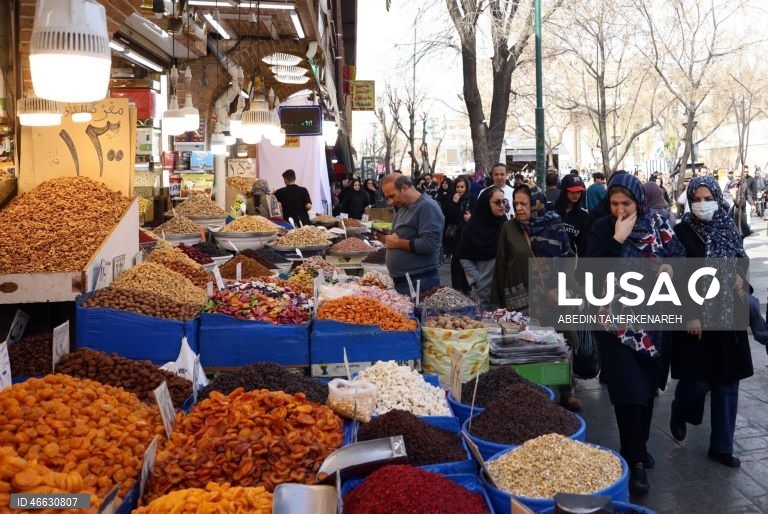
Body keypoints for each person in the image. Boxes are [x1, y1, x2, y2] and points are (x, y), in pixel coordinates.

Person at [586, 173, 686, 496]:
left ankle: (638, 445)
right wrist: (617, 241)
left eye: (626, 204)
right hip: (614, 328)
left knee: (645, 393)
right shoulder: (602, 228)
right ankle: (635, 463)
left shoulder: (658, 225)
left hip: (653, 327)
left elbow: (681, 258)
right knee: (628, 394)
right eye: (614, 204)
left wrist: (672, 269)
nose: (620, 210)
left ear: (638, 202)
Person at [669, 176, 753, 468]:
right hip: (697, 318)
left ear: (717, 197)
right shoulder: (680, 233)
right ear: (689, 201)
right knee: (697, 383)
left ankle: (722, 447)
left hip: (729, 313)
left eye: (708, 198)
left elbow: (741, 262)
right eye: (697, 199)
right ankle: (681, 409)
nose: (703, 204)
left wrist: (741, 283)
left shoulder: (728, 226)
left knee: (727, 384)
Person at [382, 173, 444, 296]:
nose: (390, 201)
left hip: (420, 281)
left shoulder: (427, 207)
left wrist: (398, 243)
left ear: (404, 188)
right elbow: (399, 235)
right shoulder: (404, 207)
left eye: (392, 196)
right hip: (405, 280)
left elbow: (429, 244)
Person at [458, 187, 506, 309]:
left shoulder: (505, 225)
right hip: (483, 294)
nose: (502, 205)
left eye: (503, 201)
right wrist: (477, 280)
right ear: (485, 204)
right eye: (497, 202)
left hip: (505, 292)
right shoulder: (473, 228)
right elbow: (463, 256)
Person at [444, 175, 477, 293]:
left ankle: (467, 286)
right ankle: (457, 286)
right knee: (456, 261)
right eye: (457, 187)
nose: (460, 189)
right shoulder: (451, 198)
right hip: (456, 236)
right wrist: (454, 203)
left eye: (462, 187)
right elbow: (449, 216)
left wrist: (471, 218)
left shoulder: (472, 199)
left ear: (467, 187)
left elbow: (478, 215)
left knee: (467, 260)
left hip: (468, 235)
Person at [554, 174, 589, 257]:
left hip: (571, 263)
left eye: (579, 192)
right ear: (564, 191)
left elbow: (583, 244)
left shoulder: (583, 216)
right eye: (573, 191)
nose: (576, 195)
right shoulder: (551, 209)